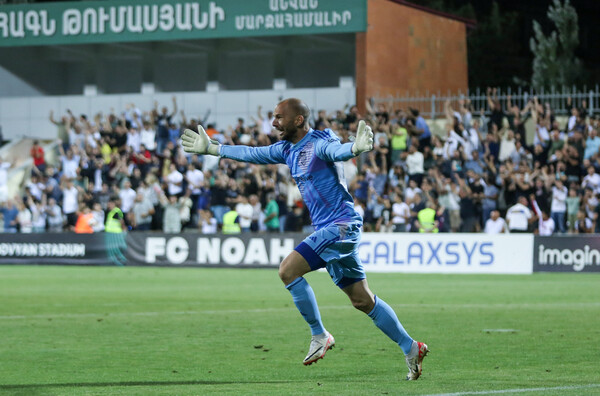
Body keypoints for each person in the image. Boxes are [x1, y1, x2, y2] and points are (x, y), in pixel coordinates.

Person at [181, 98, 428, 380]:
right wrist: (214, 149)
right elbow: (252, 153)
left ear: (298, 120)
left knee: (287, 270)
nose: (273, 123)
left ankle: (319, 334)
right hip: (332, 231)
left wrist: (356, 148)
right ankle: (411, 347)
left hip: (341, 226)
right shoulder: (287, 149)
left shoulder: (318, 142)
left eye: (278, 117)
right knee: (362, 300)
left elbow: (336, 151)